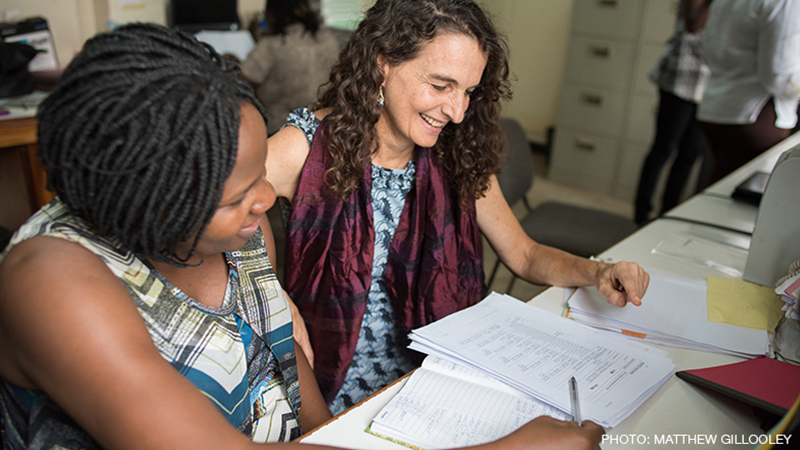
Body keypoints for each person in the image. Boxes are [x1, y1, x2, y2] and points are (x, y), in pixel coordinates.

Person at [0, 23, 606, 450]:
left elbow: (300, 396)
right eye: (238, 194)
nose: (268, 201)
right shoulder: (52, 279)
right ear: (148, 194)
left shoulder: (239, 236)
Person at [267, 0, 650, 415]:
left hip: (438, 372)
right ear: (382, 64)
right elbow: (221, 206)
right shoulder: (308, 147)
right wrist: (271, 294)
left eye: (468, 91)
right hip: (332, 385)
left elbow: (524, 254)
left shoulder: (456, 154)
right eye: (440, 86)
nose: (457, 112)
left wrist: (597, 272)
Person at [697, 0, 800, 184]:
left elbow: (709, 50)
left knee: (719, 188)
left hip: (717, 107)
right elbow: (779, 75)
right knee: (736, 196)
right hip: (754, 116)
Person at [634, 0, 711, 225]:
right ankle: (641, 214)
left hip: (708, 86)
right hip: (680, 80)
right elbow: (693, 24)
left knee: (689, 154)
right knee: (663, 149)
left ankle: (667, 214)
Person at [240, 0, 341, 135]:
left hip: (281, 130)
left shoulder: (271, 46)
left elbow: (242, 84)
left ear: (273, 15)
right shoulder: (328, 39)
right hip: (324, 128)